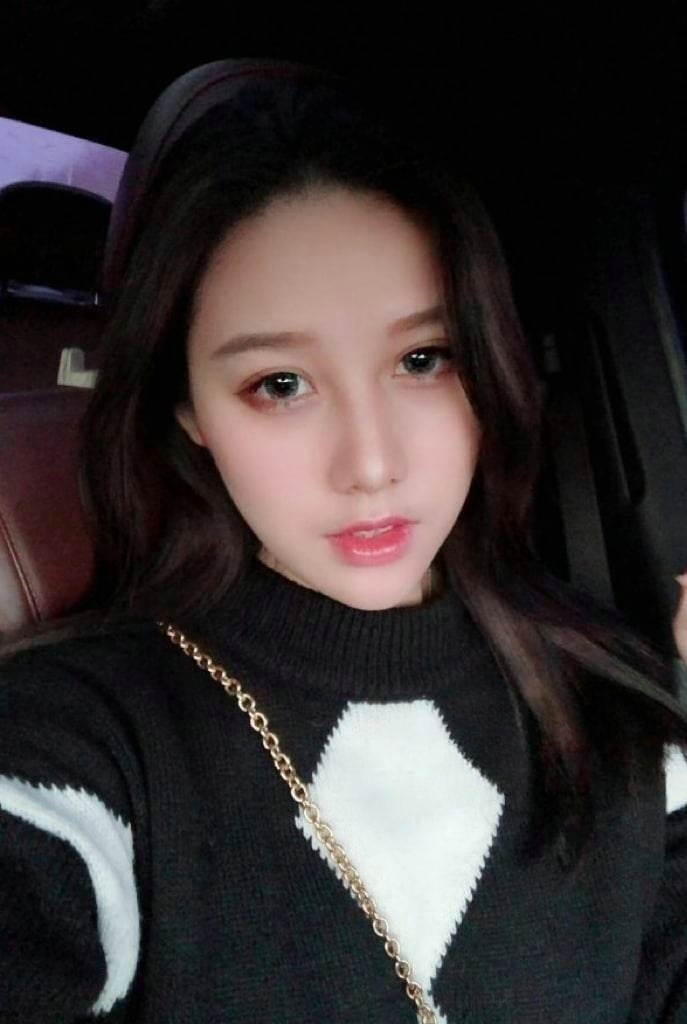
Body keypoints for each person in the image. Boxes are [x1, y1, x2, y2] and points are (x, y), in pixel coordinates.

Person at [2, 59, 687, 1024]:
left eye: (423, 359)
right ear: (188, 411)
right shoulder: (79, 741)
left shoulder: (620, 706)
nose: (370, 464)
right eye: (280, 384)